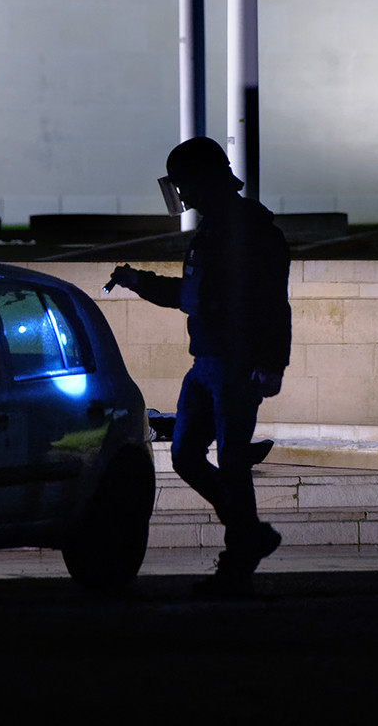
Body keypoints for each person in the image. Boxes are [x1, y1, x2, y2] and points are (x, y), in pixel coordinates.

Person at [108, 137, 292, 595]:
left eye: (185, 185)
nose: (182, 196)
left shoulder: (250, 232)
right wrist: (137, 282)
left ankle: (239, 559)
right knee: (187, 455)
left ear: (204, 181)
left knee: (230, 461)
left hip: (236, 364)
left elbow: (274, 304)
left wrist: (271, 364)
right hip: (207, 362)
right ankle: (248, 534)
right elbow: (190, 297)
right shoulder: (212, 233)